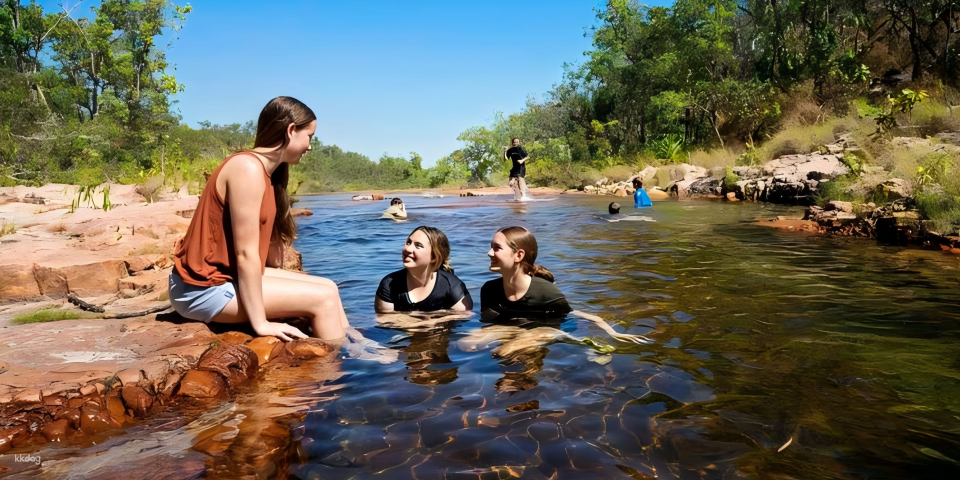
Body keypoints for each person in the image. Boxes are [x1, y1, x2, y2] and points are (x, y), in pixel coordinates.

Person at [169, 96, 351, 342]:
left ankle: (359, 346)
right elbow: (246, 254)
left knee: (329, 287)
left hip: (222, 279)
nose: (309, 146)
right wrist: (261, 323)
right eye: (309, 137)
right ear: (290, 131)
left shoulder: (267, 173)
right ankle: (341, 373)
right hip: (202, 289)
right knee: (323, 299)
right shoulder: (247, 168)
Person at [375, 226, 473, 312]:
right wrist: (435, 316)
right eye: (408, 242)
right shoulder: (390, 284)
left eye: (418, 246)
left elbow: (464, 316)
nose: (408, 249)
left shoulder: (451, 286)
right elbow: (385, 321)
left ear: (434, 257)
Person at [480, 226, 571, 319]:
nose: (489, 253)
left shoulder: (548, 294)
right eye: (491, 247)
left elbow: (567, 324)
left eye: (497, 248)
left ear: (518, 255)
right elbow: (489, 324)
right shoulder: (489, 290)